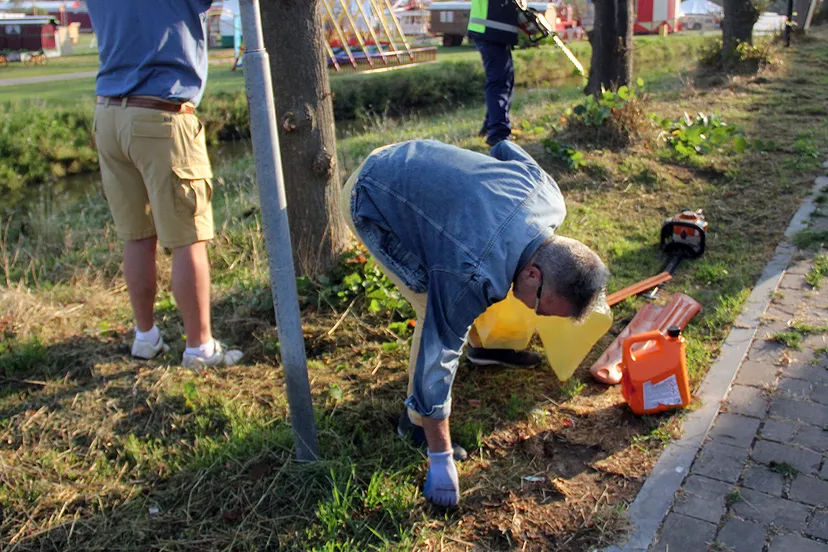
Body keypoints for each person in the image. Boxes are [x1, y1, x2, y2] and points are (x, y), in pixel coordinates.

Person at [340, 139, 609, 507]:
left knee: (490, 279)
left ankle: (485, 349)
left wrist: (475, 194)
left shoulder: (549, 197)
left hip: (408, 152)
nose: (538, 316)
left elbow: (504, 149)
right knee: (430, 304)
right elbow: (439, 355)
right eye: (545, 309)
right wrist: (440, 456)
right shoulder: (468, 271)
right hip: (371, 194)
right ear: (534, 274)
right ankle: (415, 426)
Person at [87, 0, 242, 369]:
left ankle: (146, 337)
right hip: (161, 115)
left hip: (109, 115)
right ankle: (200, 348)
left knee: (136, 235)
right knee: (189, 238)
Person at [468, 0, 521, 146]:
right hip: (489, 31)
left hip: (494, 32)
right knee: (499, 83)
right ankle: (498, 135)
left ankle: (491, 126)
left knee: (506, 80)